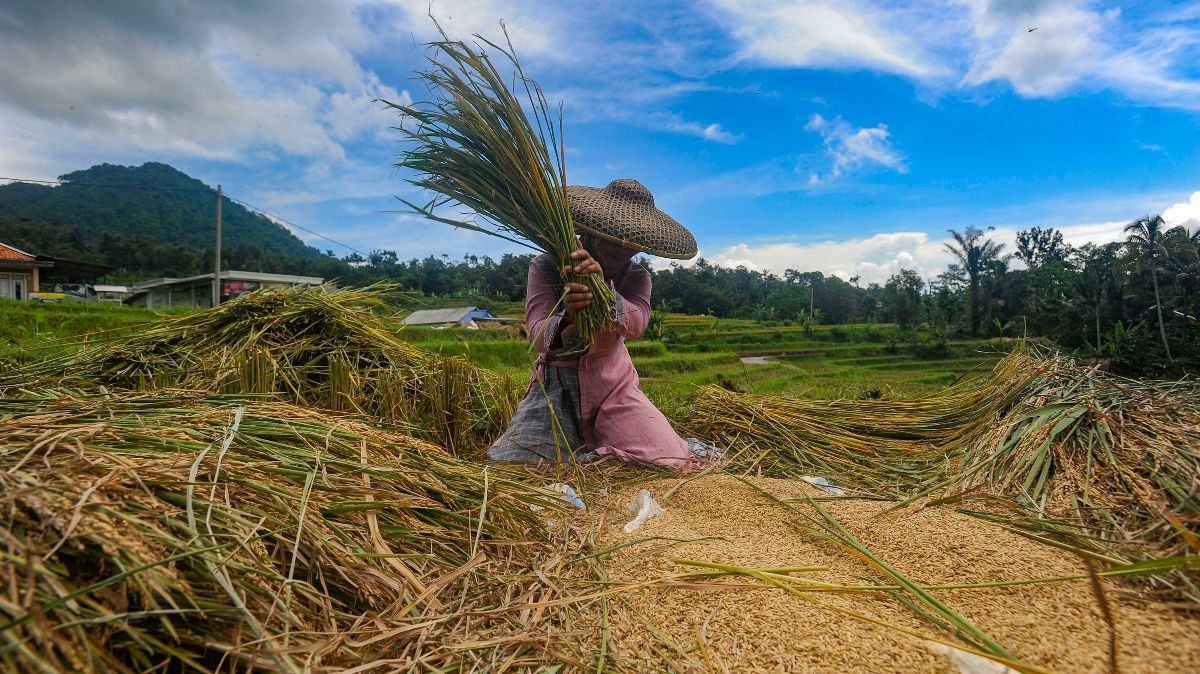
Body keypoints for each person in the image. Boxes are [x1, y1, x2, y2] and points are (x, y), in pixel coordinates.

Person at [488, 179, 717, 469]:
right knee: (516, 464)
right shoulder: (546, 266)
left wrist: (604, 291)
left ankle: (594, 456)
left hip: (613, 386)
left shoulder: (637, 277)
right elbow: (538, 338)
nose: (623, 247)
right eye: (613, 236)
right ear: (593, 231)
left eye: (632, 240)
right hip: (557, 388)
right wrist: (568, 313)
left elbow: (637, 325)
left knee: (666, 456)